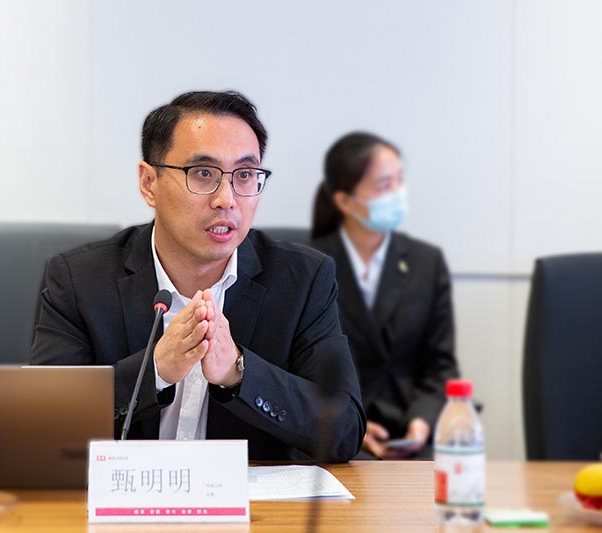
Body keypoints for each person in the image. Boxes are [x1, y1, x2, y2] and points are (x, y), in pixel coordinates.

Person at [29, 91, 365, 462]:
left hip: (249, 500)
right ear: (149, 183)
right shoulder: (78, 280)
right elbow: (44, 425)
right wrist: (154, 371)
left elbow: (344, 430)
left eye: (244, 175)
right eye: (203, 174)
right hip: (124, 497)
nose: (226, 199)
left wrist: (238, 371)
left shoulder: (303, 281)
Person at [310, 131, 458, 459]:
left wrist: (422, 421)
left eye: (399, 181)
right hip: (335, 436)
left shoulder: (427, 262)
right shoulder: (308, 264)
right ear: (344, 201)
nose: (397, 193)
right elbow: (296, 371)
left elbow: (440, 366)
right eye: (384, 185)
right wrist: (349, 428)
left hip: (411, 435)